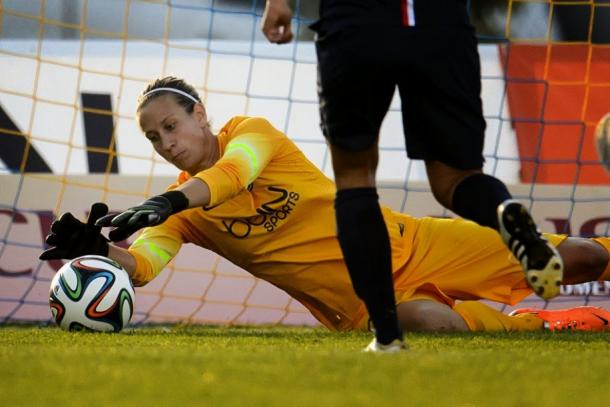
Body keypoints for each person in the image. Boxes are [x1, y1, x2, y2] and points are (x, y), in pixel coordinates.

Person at [39, 77, 610, 350]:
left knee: (581, 258)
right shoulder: (179, 215)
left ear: (201, 115)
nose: (166, 141)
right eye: (153, 136)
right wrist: (102, 253)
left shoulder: (251, 135)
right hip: (361, 302)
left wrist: (165, 200)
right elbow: (143, 266)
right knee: (435, 327)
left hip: (413, 240)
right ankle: (562, 325)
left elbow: (235, 173)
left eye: (172, 125)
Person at [260, 0, 565, 351]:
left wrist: (278, 3)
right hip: (442, 26)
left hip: (358, 24)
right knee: (456, 179)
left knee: (355, 178)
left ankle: (387, 335)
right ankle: (506, 214)